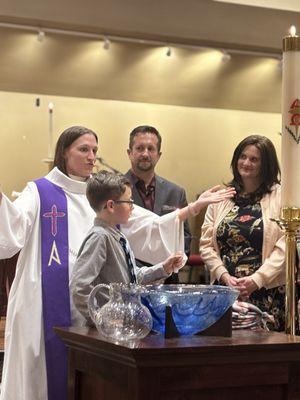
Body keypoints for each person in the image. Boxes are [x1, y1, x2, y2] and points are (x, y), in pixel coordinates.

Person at [0, 125, 235, 400]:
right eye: (83, 149)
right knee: (41, 377)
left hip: (92, 310)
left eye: (95, 151)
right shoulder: (39, 192)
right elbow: (12, 228)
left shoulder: (100, 194)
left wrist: (193, 208)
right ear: (64, 152)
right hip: (43, 303)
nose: (91, 156)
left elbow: (146, 222)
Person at [70, 171, 184, 324]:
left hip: (125, 322)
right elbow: (79, 286)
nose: (132, 207)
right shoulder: (99, 237)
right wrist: (100, 318)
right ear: (111, 205)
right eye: (129, 202)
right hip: (109, 328)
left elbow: (132, 277)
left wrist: (163, 268)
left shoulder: (119, 236)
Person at [200, 134, 286, 331]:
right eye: (243, 156)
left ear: (267, 164)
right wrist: (223, 276)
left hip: (267, 291)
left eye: (254, 159)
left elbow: (284, 246)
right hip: (226, 291)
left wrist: (256, 280)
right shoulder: (222, 196)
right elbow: (206, 245)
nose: (246, 163)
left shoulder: (282, 196)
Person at [125, 125, 191, 281]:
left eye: (151, 148)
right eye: (139, 148)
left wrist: (170, 263)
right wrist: (147, 271)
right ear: (129, 153)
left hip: (168, 279)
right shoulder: (114, 190)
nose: (145, 154)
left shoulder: (176, 192)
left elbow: (185, 236)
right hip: (130, 276)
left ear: (159, 155)